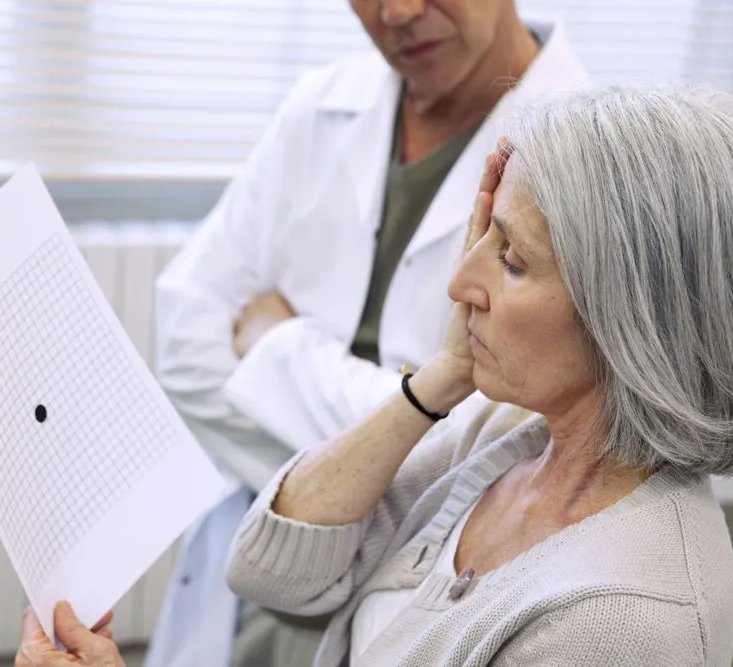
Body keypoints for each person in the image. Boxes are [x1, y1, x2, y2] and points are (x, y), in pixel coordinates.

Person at [14, 84, 733, 665]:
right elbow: (271, 569)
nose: (460, 281)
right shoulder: (508, 433)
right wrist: (439, 376)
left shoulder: (623, 623)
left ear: (635, 319)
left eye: (508, 257)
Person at [145, 2, 587, 665]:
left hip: (416, 617)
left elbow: (513, 450)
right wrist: (403, 432)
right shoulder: (319, 106)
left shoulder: (595, 163)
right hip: (253, 587)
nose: (398, 11)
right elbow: (184, 344)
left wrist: (275, 345)